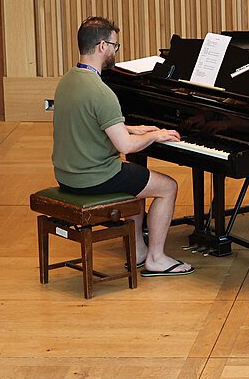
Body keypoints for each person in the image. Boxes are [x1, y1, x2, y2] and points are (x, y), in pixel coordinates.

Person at [51, 16, 193, 277]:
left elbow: (90, 121)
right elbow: (126, 145)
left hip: (67, 175)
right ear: (103, 46)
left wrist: (132, 127)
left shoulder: (69, 81)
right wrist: (156, 135)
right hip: (95, 177)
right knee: (167, 187)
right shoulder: (101, 92)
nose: (116, 51)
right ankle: (156, 258)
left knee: (136, 180)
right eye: (115, 46)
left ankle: (138, 251)